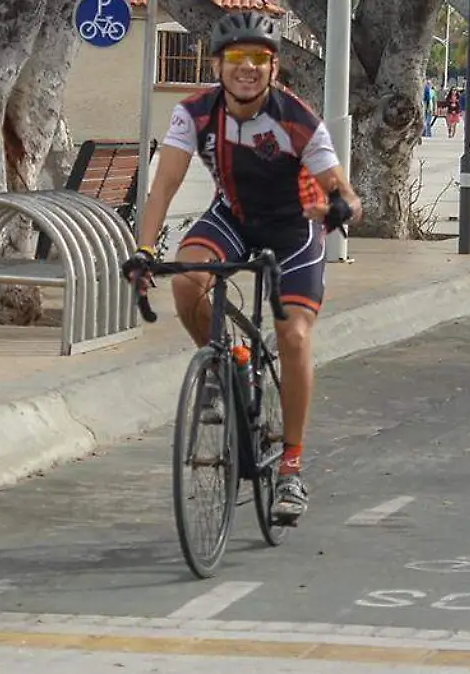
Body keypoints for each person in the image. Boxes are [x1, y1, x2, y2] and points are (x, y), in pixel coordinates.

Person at [121, 10, 363, 524]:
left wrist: (340, 208)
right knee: (186, 282)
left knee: (293, 336)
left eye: (260, 58)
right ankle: (226, 359)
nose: (247, 68)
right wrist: (144, 250)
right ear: (217, 65)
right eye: (236, 58)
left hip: (293, 231)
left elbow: (344, 192)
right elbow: (162, 188)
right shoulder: (195, 113)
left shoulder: (299, 120)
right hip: (231, 216)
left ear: (274, 68)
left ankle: (291, 469)